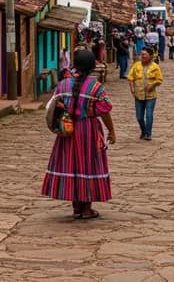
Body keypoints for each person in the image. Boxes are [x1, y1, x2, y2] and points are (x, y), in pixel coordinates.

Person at [42, 50, 116, 219]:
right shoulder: (96, 88)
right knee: (88, 165)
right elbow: (105, 110)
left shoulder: (63, 85)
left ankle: (76, 206)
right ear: (92, 66)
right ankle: (86, 208)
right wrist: (111, 131)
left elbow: (54, 105)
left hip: (67, 131)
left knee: (71, 164)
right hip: (88, 131)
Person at [127, 47, 163, 140]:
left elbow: (159, 79)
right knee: (139, 116)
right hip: (138, 95)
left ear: (150, 56)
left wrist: (152, 85)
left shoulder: (155, 67)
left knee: (149, 114)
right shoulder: (136, 66)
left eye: (144, 54)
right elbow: (130, 77)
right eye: (141, 54)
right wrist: (131, 88)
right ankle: (143, 130)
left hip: (151, 95)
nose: (142, 56)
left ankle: (148, 133)